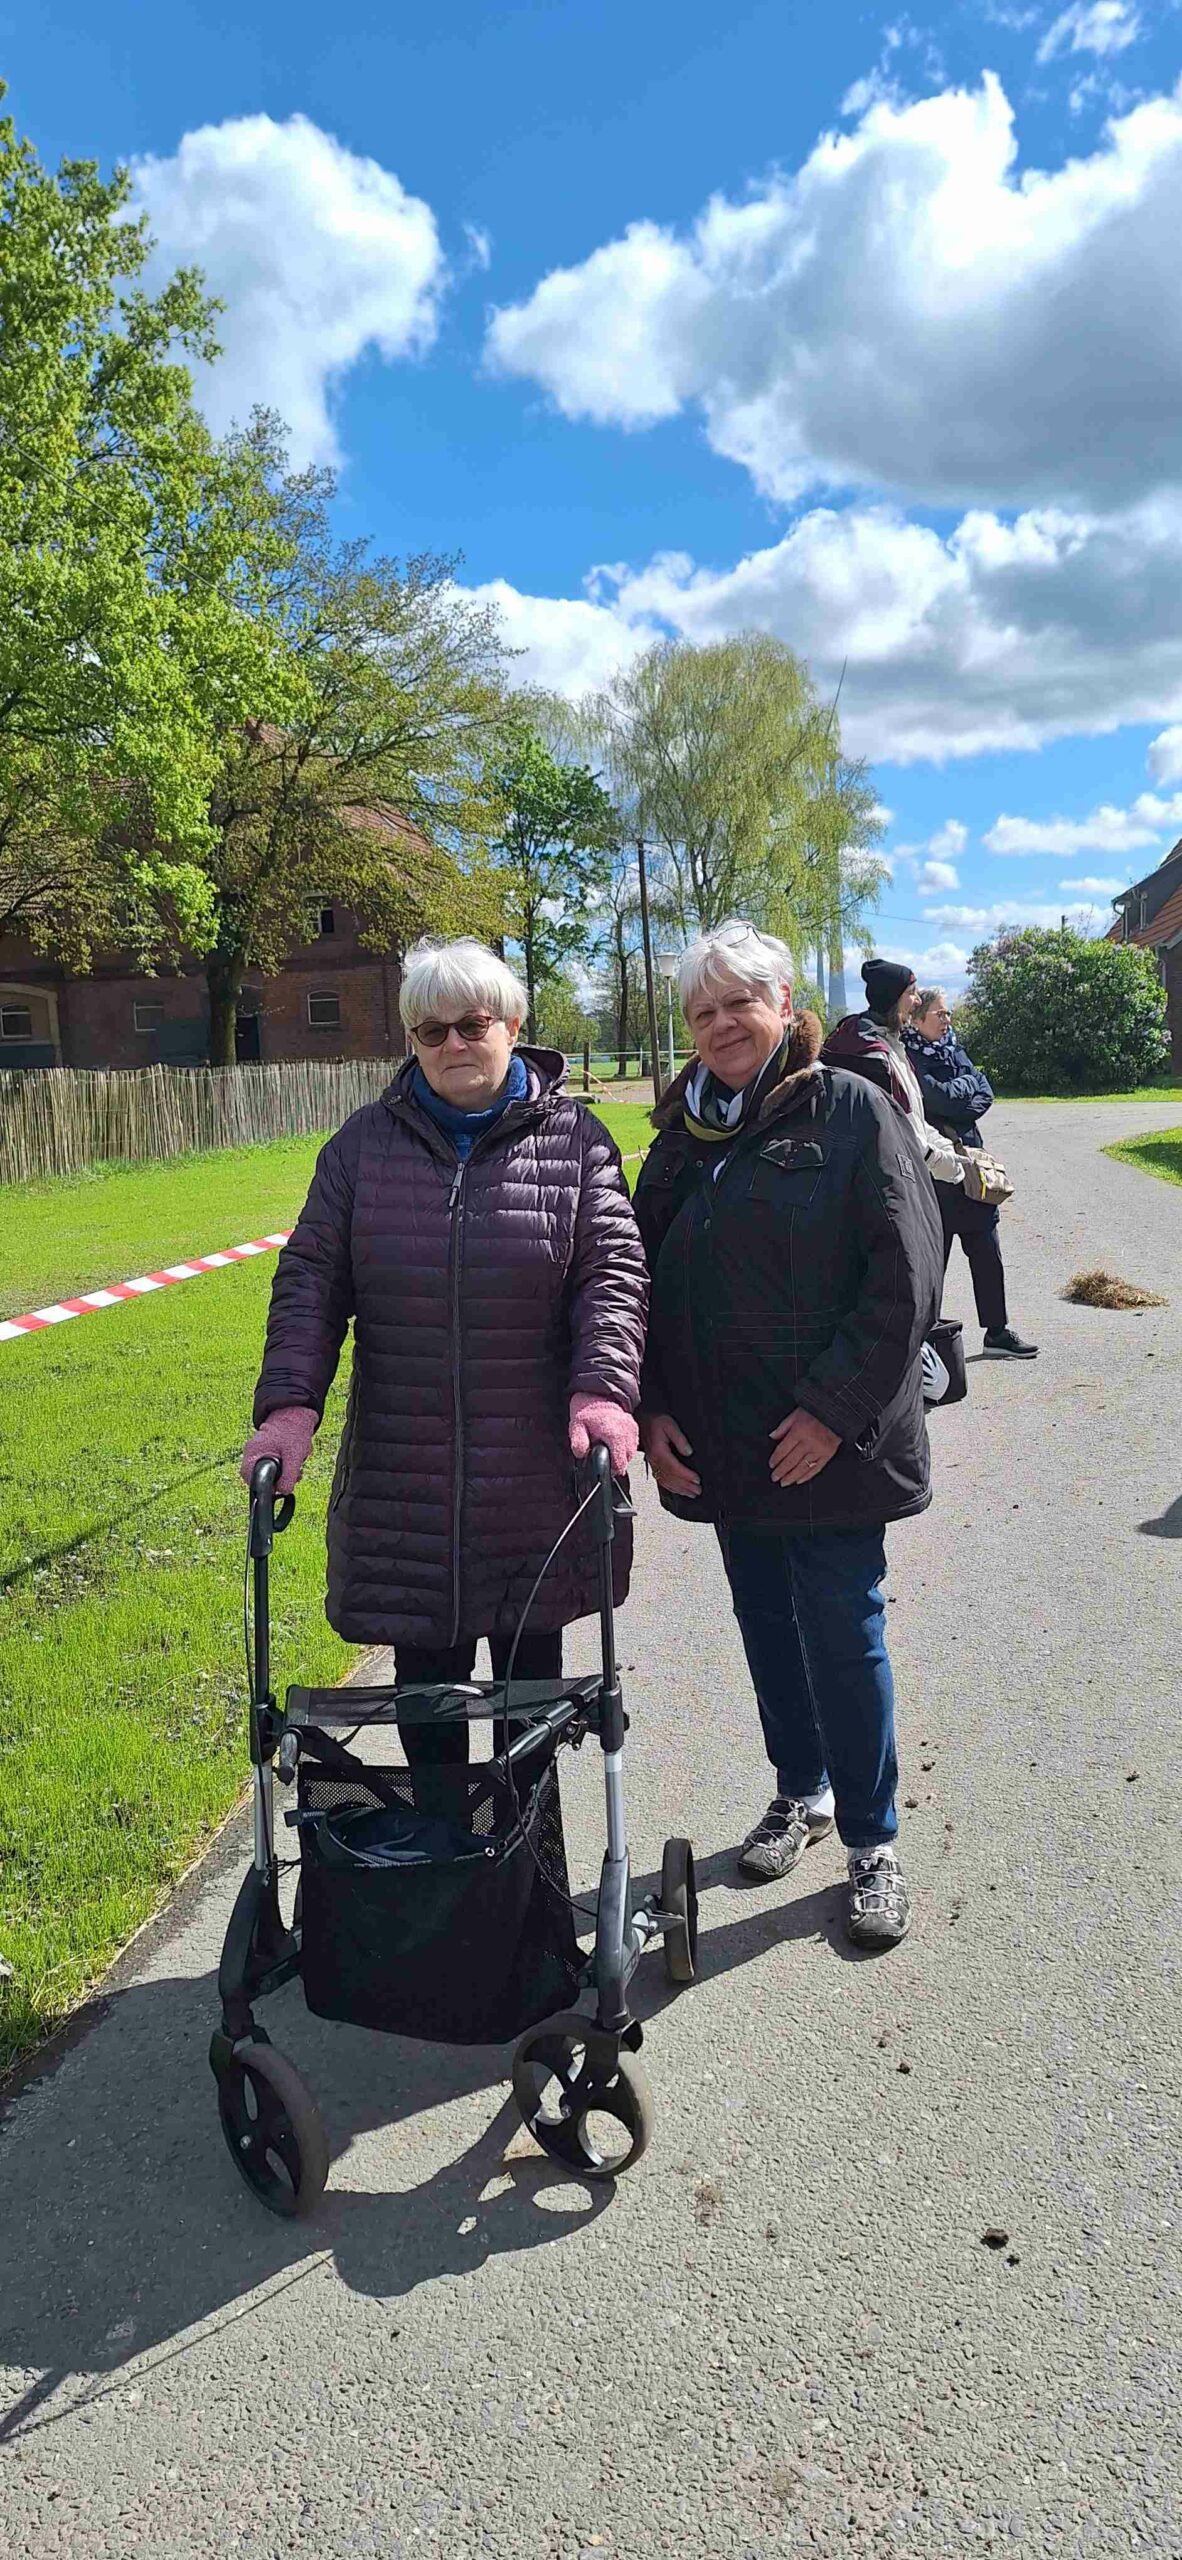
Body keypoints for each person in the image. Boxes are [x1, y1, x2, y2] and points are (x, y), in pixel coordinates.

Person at [240, 936, 648, 1811]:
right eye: (432, 1031)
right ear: (413, 1042)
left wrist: (603, 1389)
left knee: (528, 1702)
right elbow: (311, 1281)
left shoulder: (576, 1141)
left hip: (532, 1481)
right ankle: (439, 1856)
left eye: (472, 1024)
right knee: (425, 1695)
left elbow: (612, 1273)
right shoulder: (361, 1149)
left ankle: (525, 1861)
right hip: (405, 1483)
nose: (454, 1043)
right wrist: (289, 1410)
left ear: (513, 1026)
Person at [633, 919, 943, 1950]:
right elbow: (637, 1283)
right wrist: (653, 1406)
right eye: (702, 1011)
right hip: (726, 1442)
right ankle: (801, 1792)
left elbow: (906, 1275)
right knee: (766, 1625)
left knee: (843, 1635)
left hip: (830, 1443)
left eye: (740, 1003)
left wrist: (831, 1410)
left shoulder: (848, 1107)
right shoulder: (682, 1135)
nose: (722, 1024)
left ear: (784, 1007)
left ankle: (873, 1840)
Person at [905, 989, 1037, 1360]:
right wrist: (961, 1093)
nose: (947, 1020)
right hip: (937, 1172)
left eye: (947, 1014)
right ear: (917, 1019)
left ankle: (997, 1333)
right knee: (934, 1261)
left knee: (987, 1251)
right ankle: (924, 1339)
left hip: (972, 1168)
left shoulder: (953, 1049)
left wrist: (958, 1096)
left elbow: (984, 1092)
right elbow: (936, 1100)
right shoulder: (909, 1056)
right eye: (940, 1014)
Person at [821, 958, 967, 1188]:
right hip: (882, 1183)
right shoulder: (869, 1057)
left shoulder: (887, 1042)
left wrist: (945, 1147)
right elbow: (896, 1132)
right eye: (911, 992)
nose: (918, 1000)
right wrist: (945, 1163)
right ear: (891, 998)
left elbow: (912, 1118)